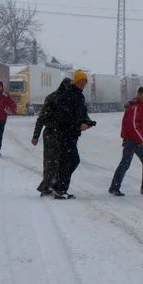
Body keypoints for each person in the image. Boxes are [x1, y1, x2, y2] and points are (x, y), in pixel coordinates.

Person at [49, 69, 95, 199]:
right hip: (65, 134)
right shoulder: (68, 95)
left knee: (69, 161)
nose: (83, 84)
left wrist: (88, 121)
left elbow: (81, 113)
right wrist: (78, 125)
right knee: (71, 160)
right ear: (75, 81)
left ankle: (58, 186)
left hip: (72, 134)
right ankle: (59, 187)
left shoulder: (79, 96)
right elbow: (64, 117)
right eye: (81, 81)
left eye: (84, 81)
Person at [109, 86, 143, 196]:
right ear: (139, 94)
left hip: (135, 140)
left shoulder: (140, 106)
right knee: (128, 163)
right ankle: (115, 187)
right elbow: (132, 126)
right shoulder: (135, 107)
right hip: (132, 141)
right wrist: (141, 140)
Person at [32, 77, 72, 196]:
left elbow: (42, 118)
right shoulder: (55, 98)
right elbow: (42, 118)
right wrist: (35, 135)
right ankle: (46, 186)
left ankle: (50, 185)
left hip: (57, 133)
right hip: (53, 133)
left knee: (54, 161)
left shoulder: (60, 98)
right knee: (53, 162)